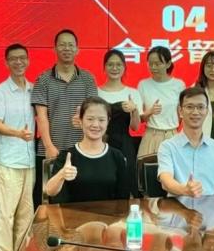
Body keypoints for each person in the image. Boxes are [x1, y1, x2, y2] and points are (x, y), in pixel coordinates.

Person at [31, 29, 98, 205]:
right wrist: (49, 146)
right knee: (48, 199)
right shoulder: (43, 79)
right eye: (62, 45)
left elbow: (94, 113)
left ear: (77, 49)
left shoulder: (88, 79)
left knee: (80, 201)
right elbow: (41, 116)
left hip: (82, 150)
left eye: (70, 45)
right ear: (54, 49)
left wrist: (83, 120)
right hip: (51, 151)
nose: (66, 48)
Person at [0, 43, 35, 251]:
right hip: (8, 161)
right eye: (13, 59)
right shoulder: (0, 92)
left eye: (22, 58)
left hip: (29, 161)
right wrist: (18, 134)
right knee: (6, 214)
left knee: (26, 214)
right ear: (6, 62)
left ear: (28, 60)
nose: (18, 62)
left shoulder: (33, 90)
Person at [46, 97, 130, 203]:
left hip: (109, 213)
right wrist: (61, 175)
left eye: (101, 120)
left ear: (108, 122)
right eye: (90, 119)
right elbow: (50, 191)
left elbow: (124, 197)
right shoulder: (67, 156)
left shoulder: (117, 156)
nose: (95, 125)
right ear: (81, 121)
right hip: (72, 213)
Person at [157, 87, 214, 196]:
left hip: (211, 205)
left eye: (200, 107)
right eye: (189, 107)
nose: (195, 112)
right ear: (180, 111)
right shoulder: (167, 146)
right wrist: (185, 190)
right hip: (178, 205)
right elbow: (166, 181)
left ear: (207, 111)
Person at [97, 49, 141, 196]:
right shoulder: (96, 92)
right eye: (110, 64)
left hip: (124, 144)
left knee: (125, 185)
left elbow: (135, 127)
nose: (114, 68)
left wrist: (134, 110)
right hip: (101, 143)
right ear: (104, 67)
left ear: (124, 67)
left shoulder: (133, 92)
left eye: (118, 65)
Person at [136, 46, 186, 158]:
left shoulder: (179, 85)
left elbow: (182, 114)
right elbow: (139, 119)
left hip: (172, 135)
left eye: (158, 64)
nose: (153, 67)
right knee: (146, 167)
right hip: (151, 135)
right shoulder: (143, 85)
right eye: (150, 64)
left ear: (168, 64)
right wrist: (149, 112)